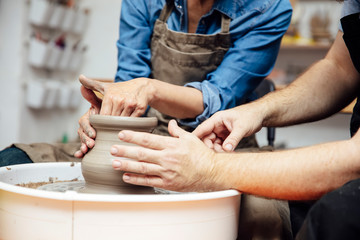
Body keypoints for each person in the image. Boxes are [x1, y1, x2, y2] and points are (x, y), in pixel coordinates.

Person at [106, 0, 360, 239]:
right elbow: (339, 69)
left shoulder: (266, 8)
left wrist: (210, 168)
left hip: (224, 148)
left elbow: (354, 159)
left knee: (273, 217)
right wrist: (256, 111)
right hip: (155, 135)